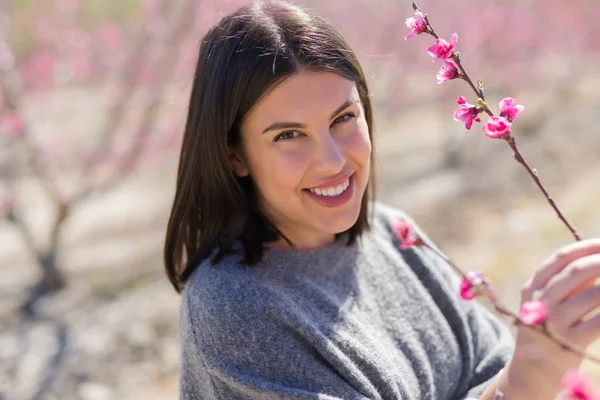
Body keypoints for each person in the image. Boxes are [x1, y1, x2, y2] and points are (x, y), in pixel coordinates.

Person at [163, 1, 600, 399]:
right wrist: (531, 378)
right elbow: (513, 382)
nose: (332, 161)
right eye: (289, 135)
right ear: (234, 155)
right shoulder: (234, 308)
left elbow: (492, 369)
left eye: (343, 118)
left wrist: (535, 367)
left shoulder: (392, 235)